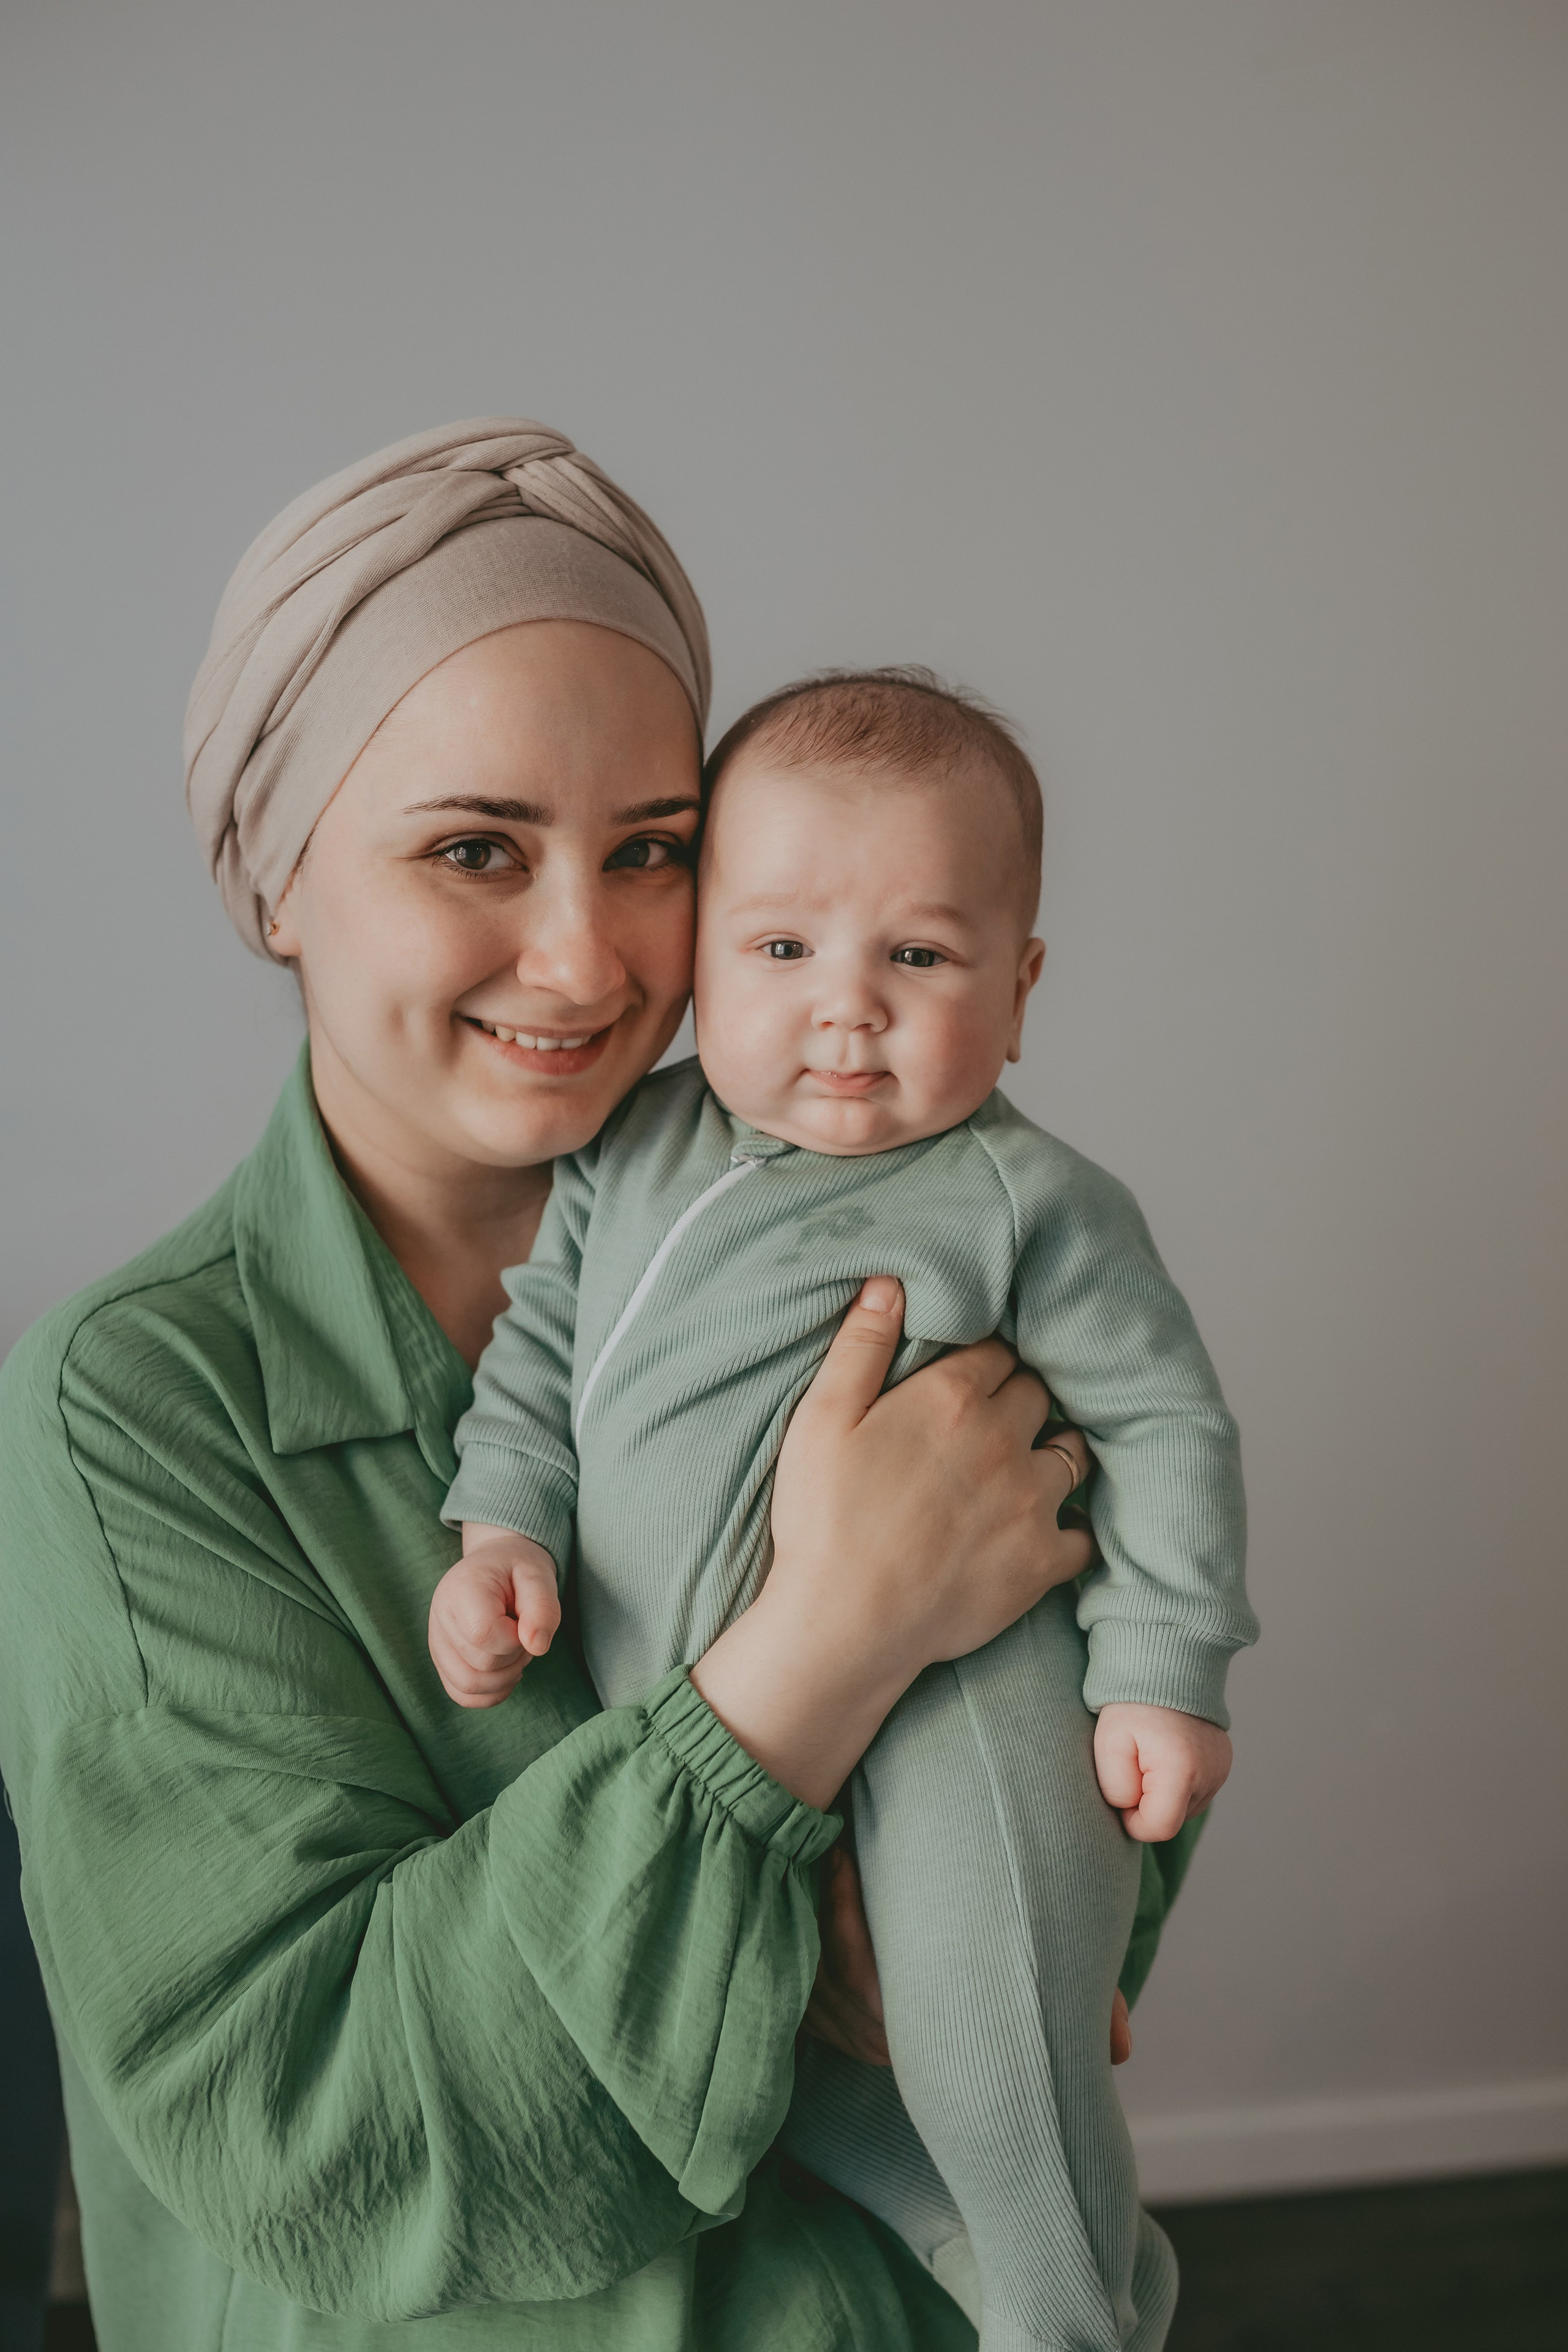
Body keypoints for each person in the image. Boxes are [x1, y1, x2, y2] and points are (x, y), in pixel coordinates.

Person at [0, 419, 1188, 2352]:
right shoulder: (126, 1415)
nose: (583, 953)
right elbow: (332, 2134)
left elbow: (1108, 1702)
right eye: (475, 848)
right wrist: (818, 1665)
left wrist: (1039, 1907)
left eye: (653, 854)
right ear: (280, 875)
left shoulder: (886, 1215)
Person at [429, 671, 1256, 2350]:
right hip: (725, 1710)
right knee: (800, 2059)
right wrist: (501, 1530)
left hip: (972, 1699)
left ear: (1019, 993)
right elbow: (533, 1365)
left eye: (921, 958)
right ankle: (1028, 2262)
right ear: (703, 958)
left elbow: (1168, 1419)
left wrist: (1166, 1665)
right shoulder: (629, 1151)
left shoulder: (1027, 1200)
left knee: (982, 2022)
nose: (846, 1012)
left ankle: (1067, 2315)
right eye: (785, 948)